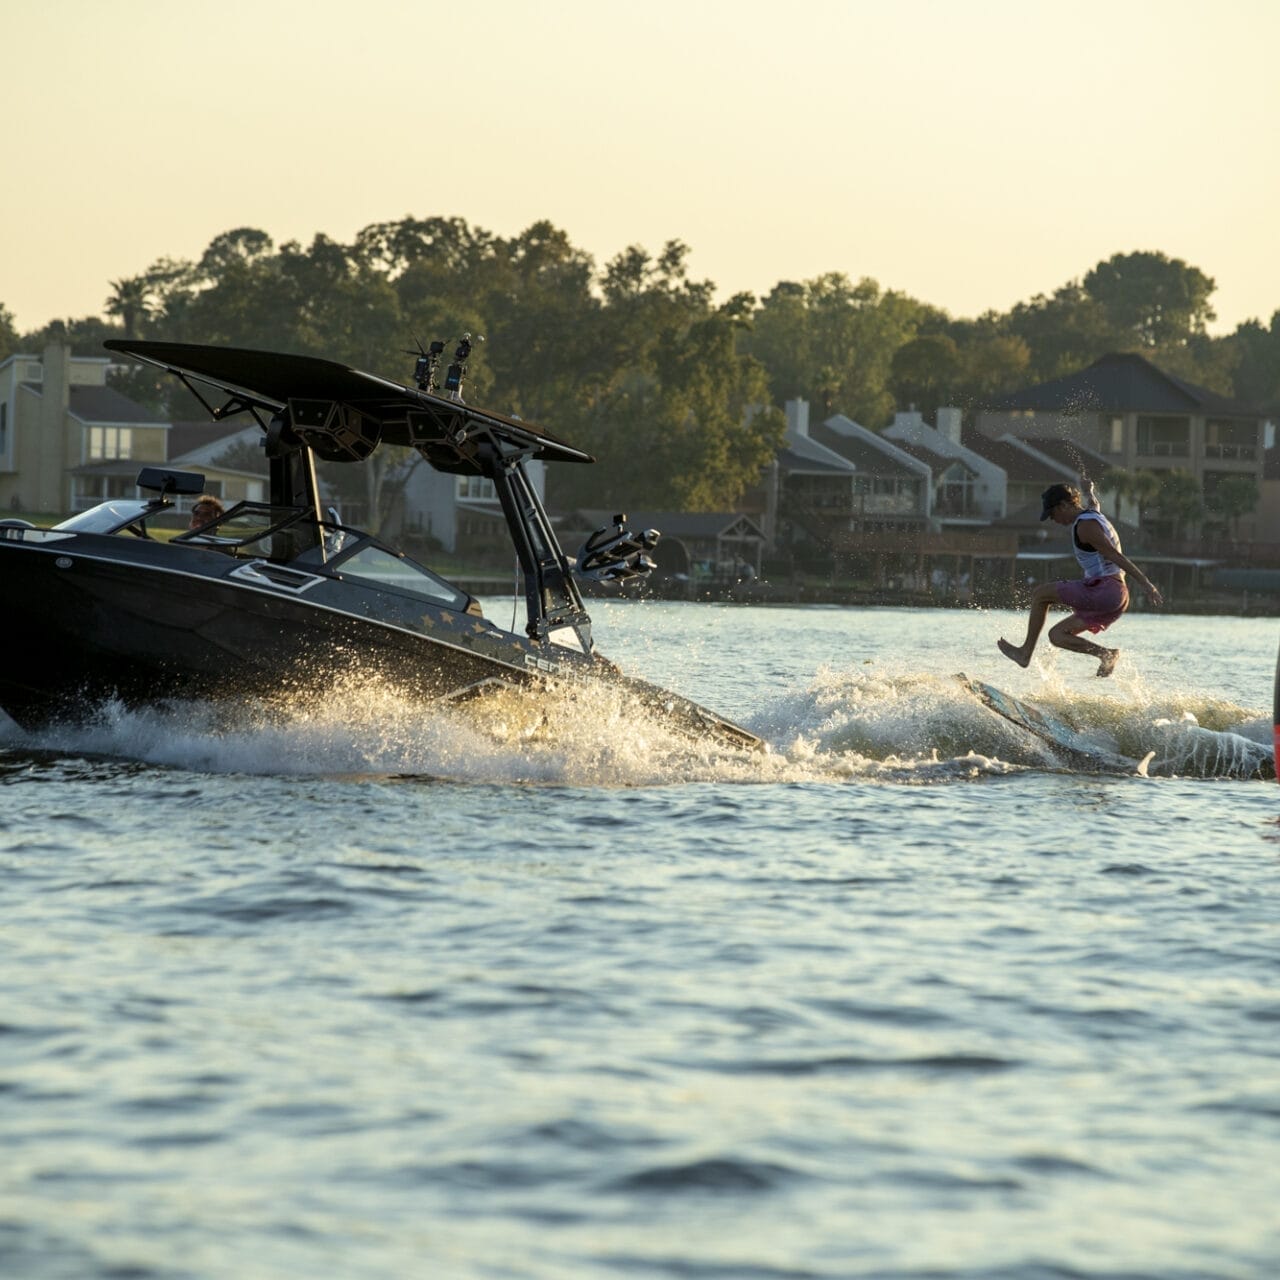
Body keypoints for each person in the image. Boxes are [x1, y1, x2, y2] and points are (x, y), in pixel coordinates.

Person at [998, 481, 1163, 677]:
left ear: (1064, 505)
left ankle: (1025, 652)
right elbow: (1093, 503)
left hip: (1104, 590)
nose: (1053, 520)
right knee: (1057, 636)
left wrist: (1146, 584)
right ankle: (1106, 654)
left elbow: (1114, 555)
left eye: (1053, 514)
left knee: (1041, 594)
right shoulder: (1092, 514)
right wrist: (1088, 491)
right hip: (1118, 598)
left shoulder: (1085, 527)